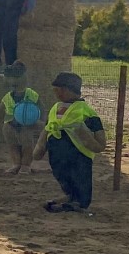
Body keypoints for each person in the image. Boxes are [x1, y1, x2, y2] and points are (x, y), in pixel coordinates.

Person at [33, 71, 107, 212]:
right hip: (57, 155)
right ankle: (70, 197)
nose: (58, 93)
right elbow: (48, 127)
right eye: (56, 90)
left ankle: (79, 202)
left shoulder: (86, 111)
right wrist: (40, 146)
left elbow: (100, 139)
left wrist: (93, 143)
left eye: (61, 89)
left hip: (78, 155)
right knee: (63, 177)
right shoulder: (55, 108)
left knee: (80, 178)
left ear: (70, 89)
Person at [0, 62, 43, 174]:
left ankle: (25, 165)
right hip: (10, 125)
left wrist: (41, 121)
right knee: (12, 146)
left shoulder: (31, 94)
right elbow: (0, 113)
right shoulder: (7, 97)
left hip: (26, 125)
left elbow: (41, 108)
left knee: (27, 145)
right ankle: (16, 164)